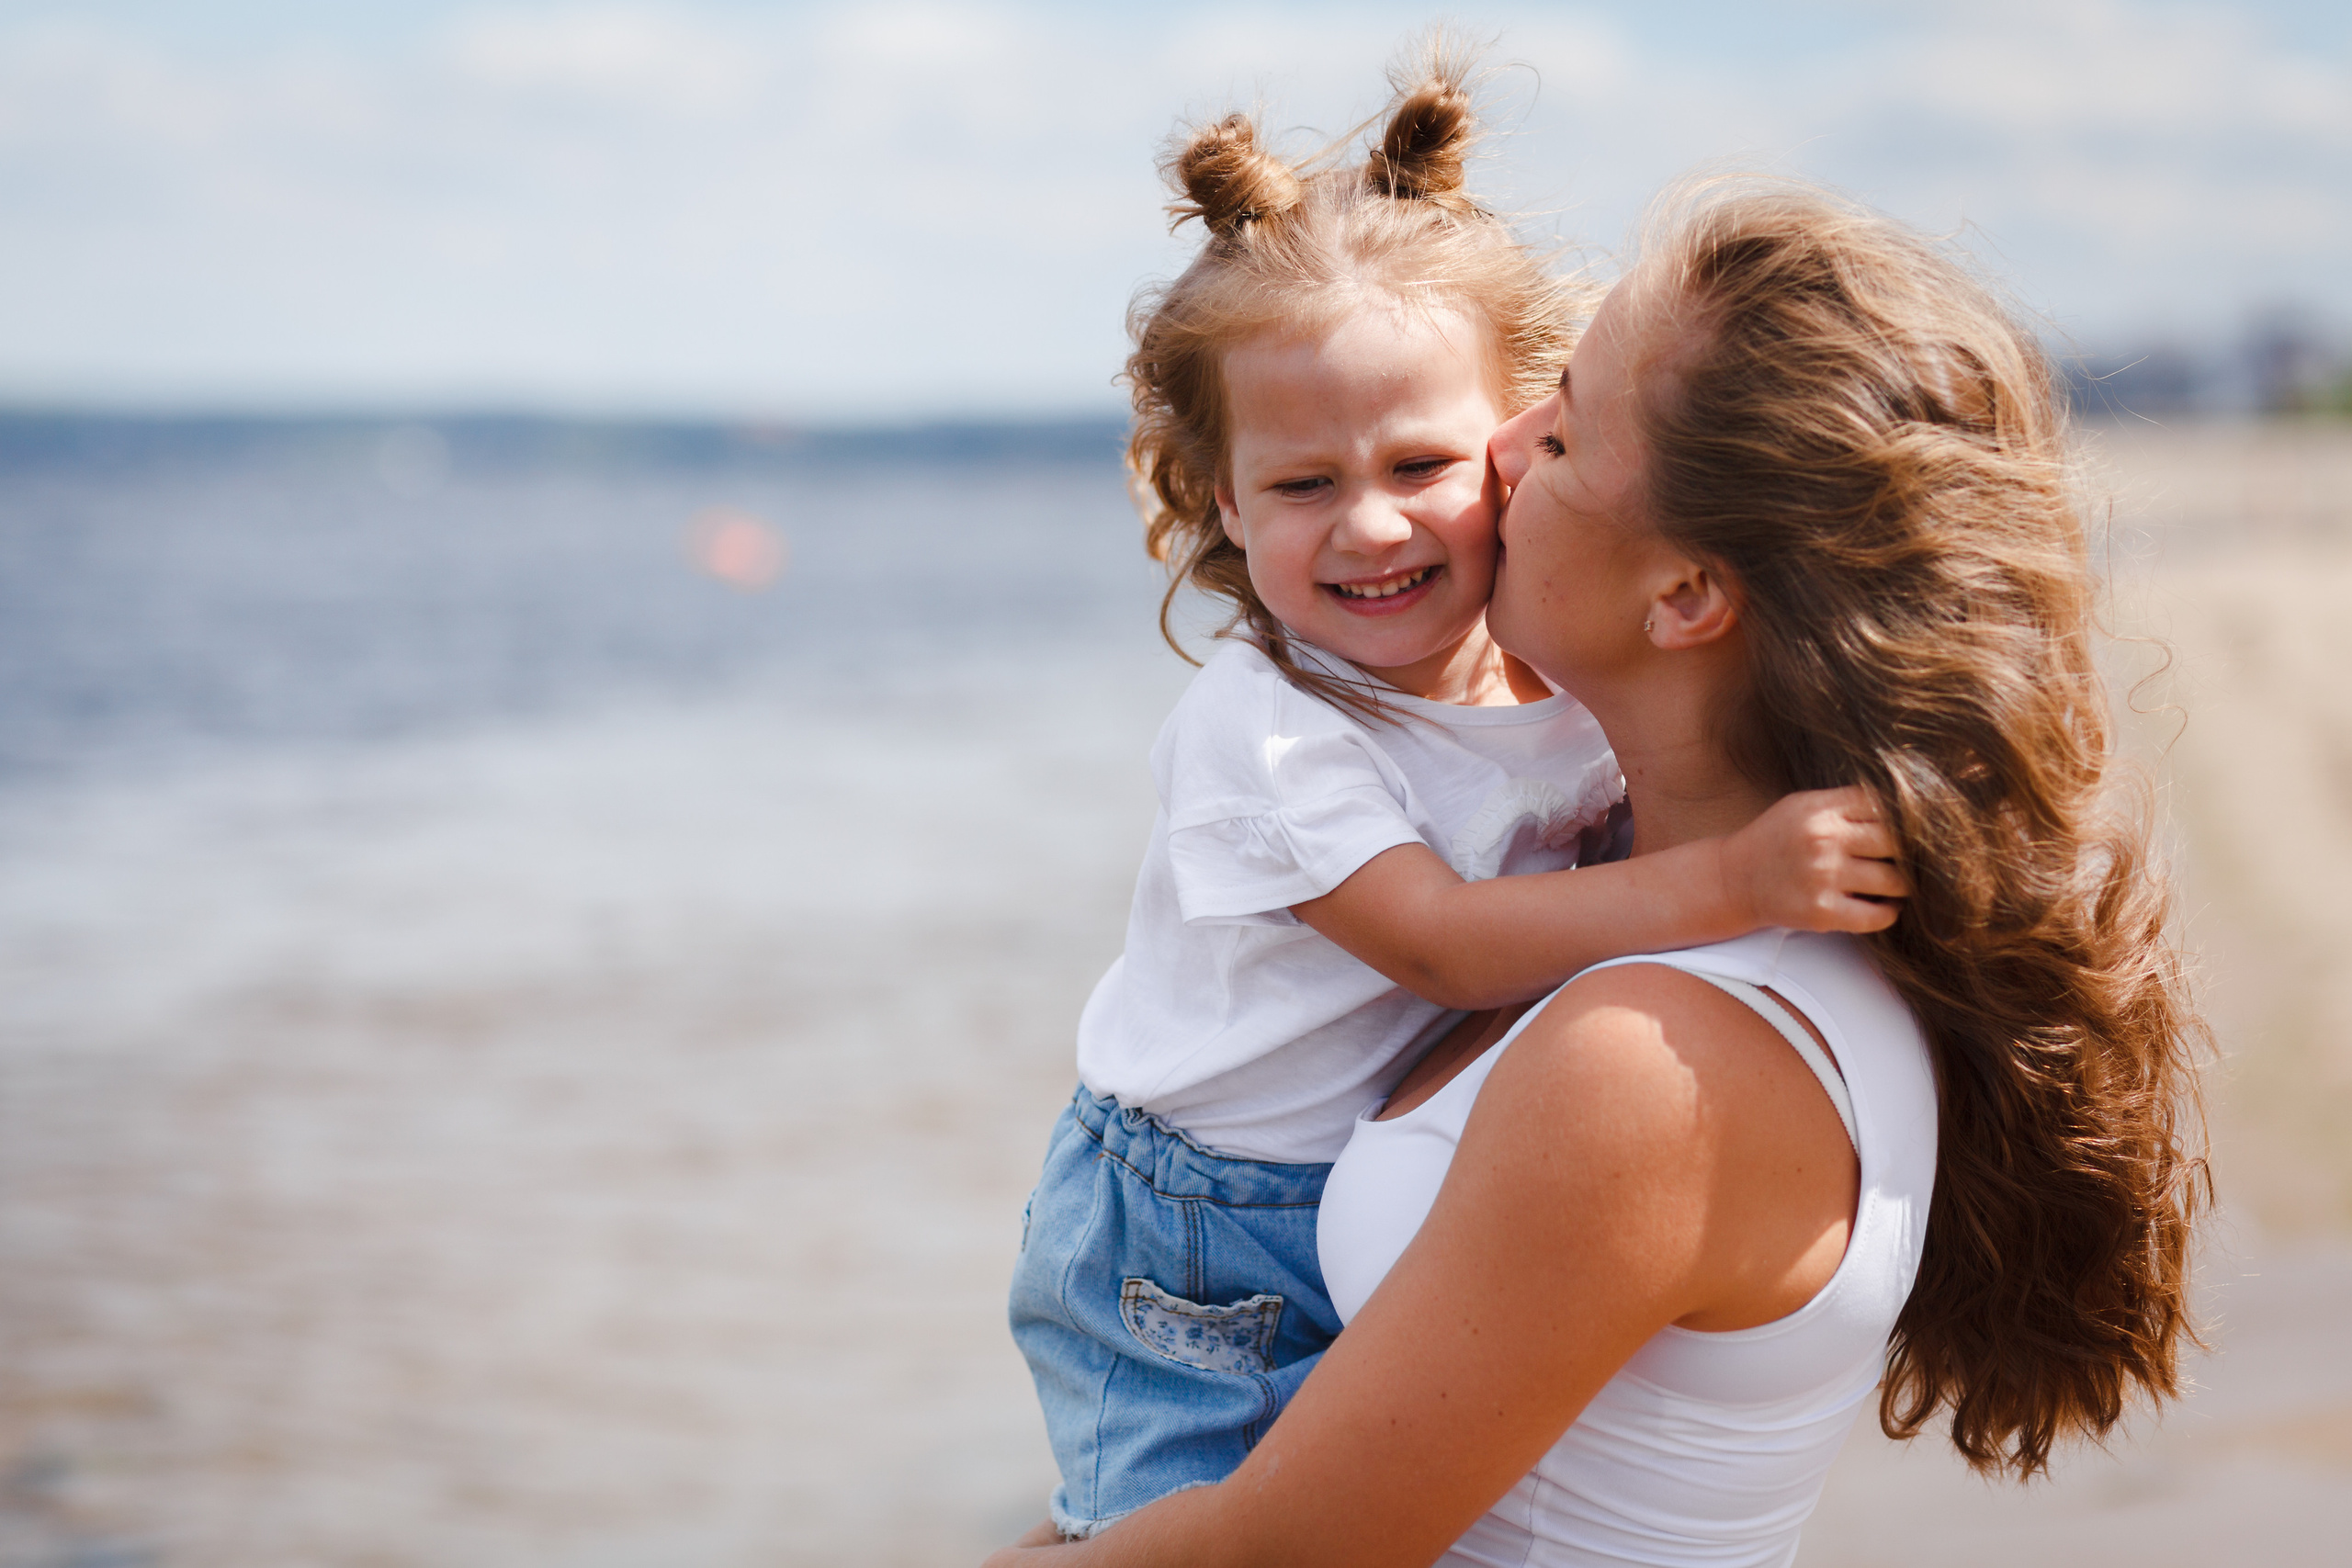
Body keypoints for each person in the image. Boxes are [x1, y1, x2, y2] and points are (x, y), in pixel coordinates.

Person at [989, 172, 2208, 1567]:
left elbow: (1276, 1549)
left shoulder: (1655, 1058)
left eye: (1560, 428)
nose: (1497, 447)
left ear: (1686, 594)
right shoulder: (1635, 881)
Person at [1007, 59, 1909, 1542]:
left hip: (1327, 1183)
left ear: (1510, 444)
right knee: (1176, 1535)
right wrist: (1740, 883)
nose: (1368, 524)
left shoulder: (1548, 678)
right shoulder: (1268, 727)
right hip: (1195, 1228)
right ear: (1224, 505)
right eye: (1299, 487)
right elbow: (1441, 945)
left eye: (1421, 463)